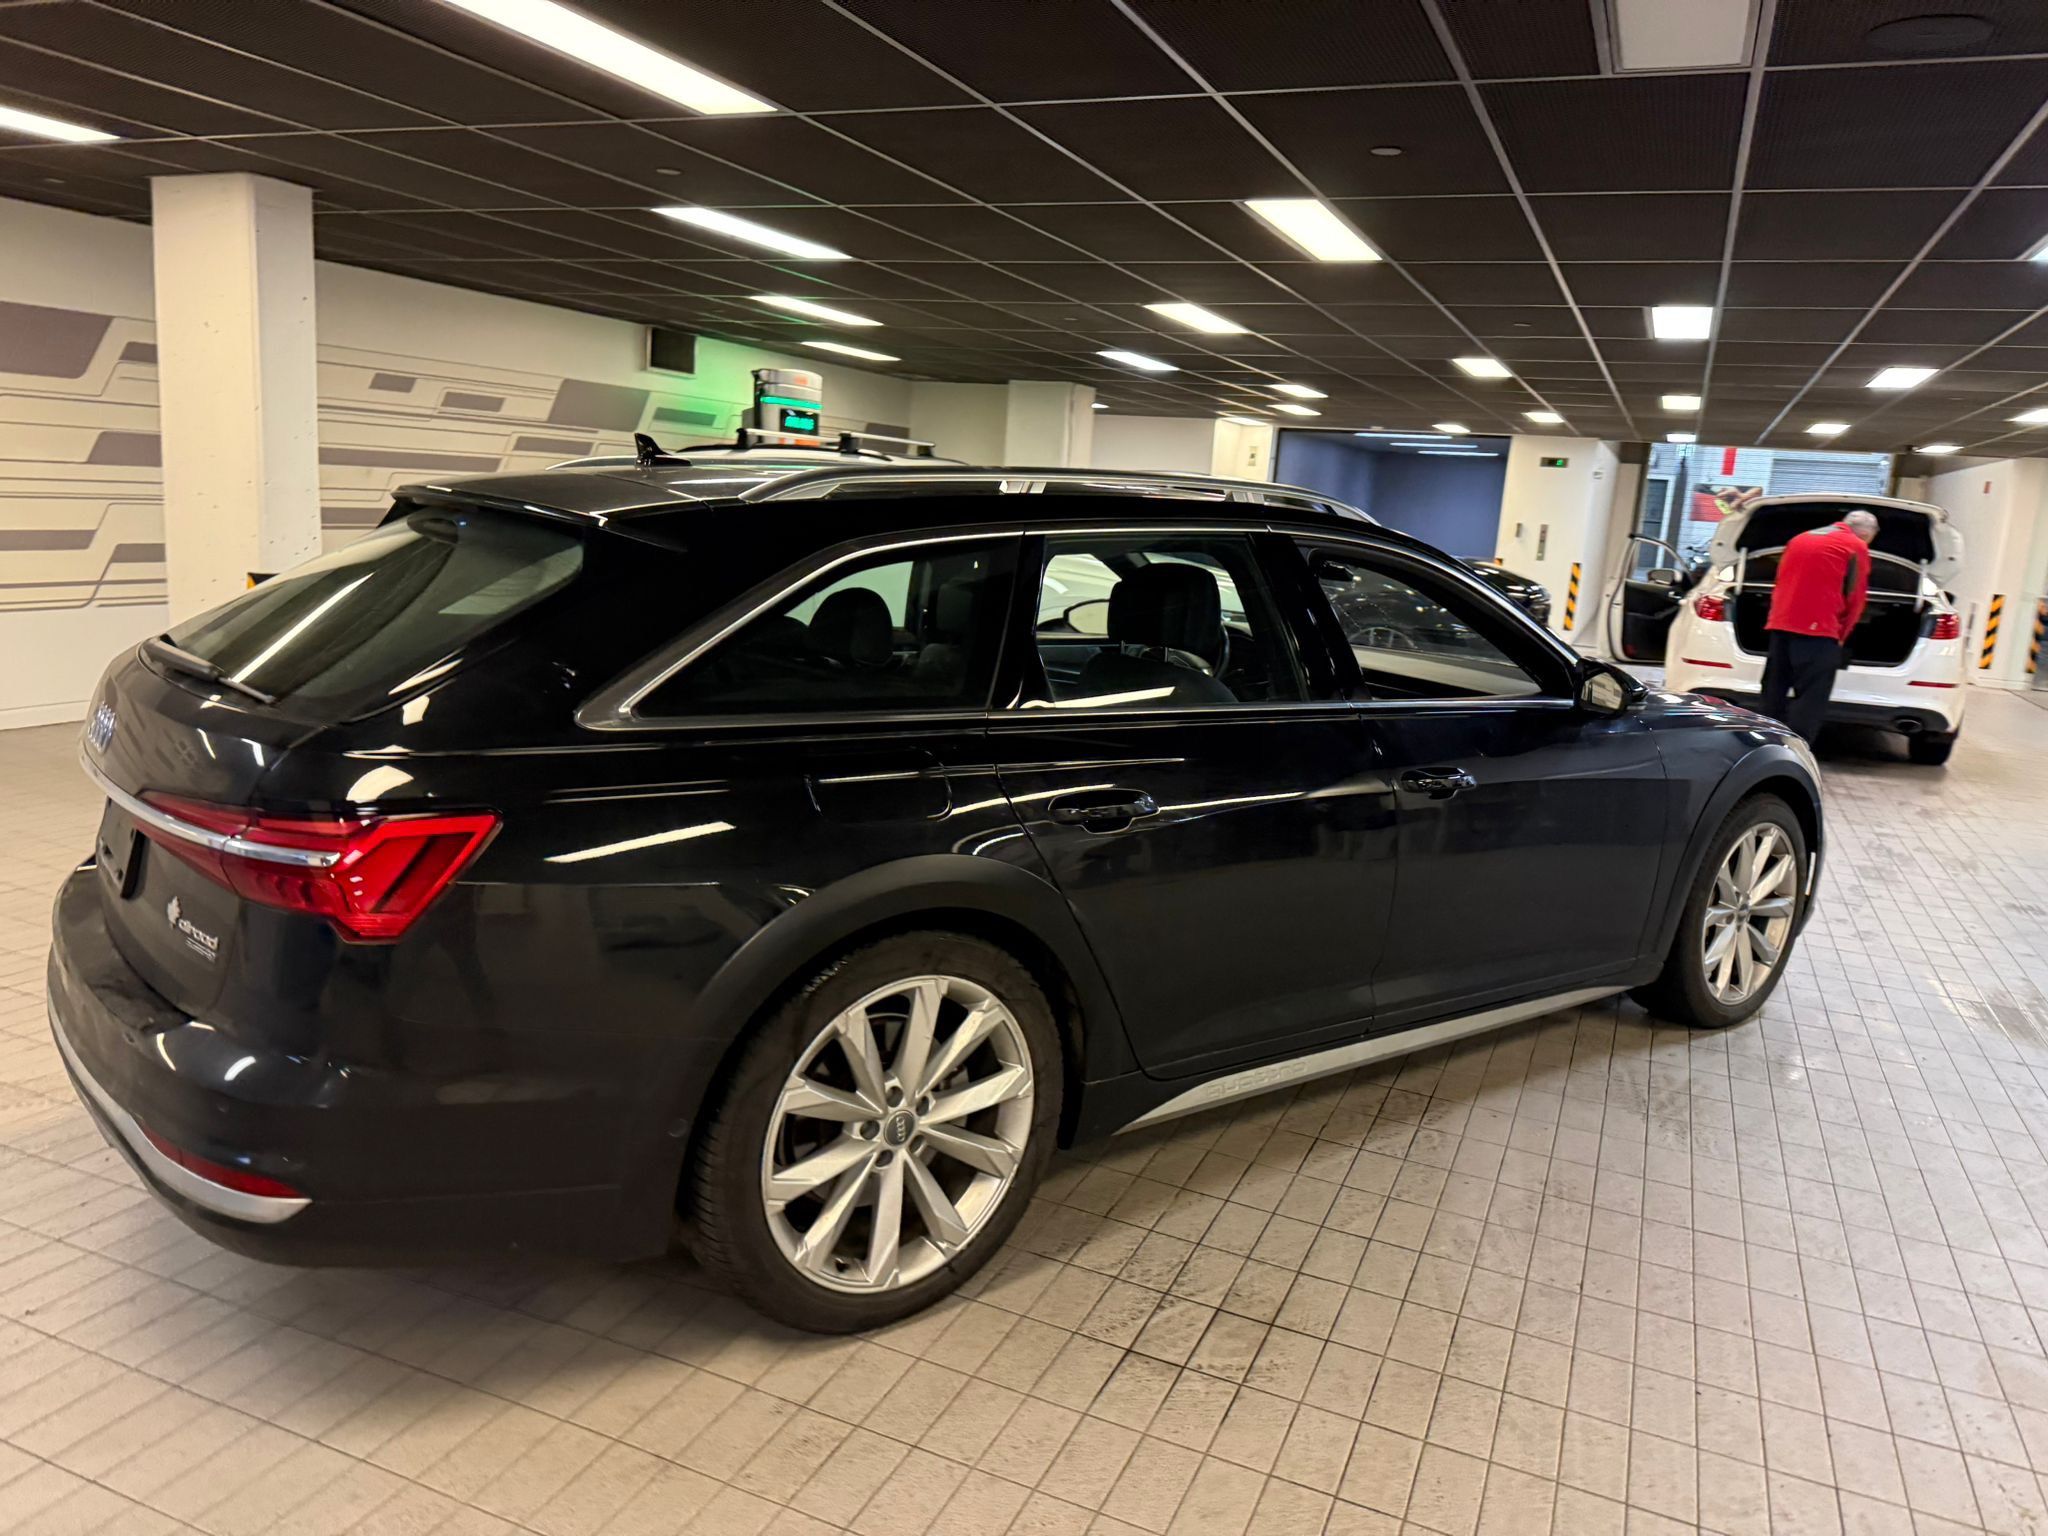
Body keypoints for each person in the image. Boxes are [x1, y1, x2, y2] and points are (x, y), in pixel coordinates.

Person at [1757, 509, 1878, 742]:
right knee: (1811, 697)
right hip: (1818, 631)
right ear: (1866, 534)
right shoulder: (1856, 546)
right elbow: (1855, 598)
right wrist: (1840, 636)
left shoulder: (1799, 539)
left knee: (1774, 689)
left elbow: (1781, 580)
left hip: (1780, 626)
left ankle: (1764, 741)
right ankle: (1797, 748)